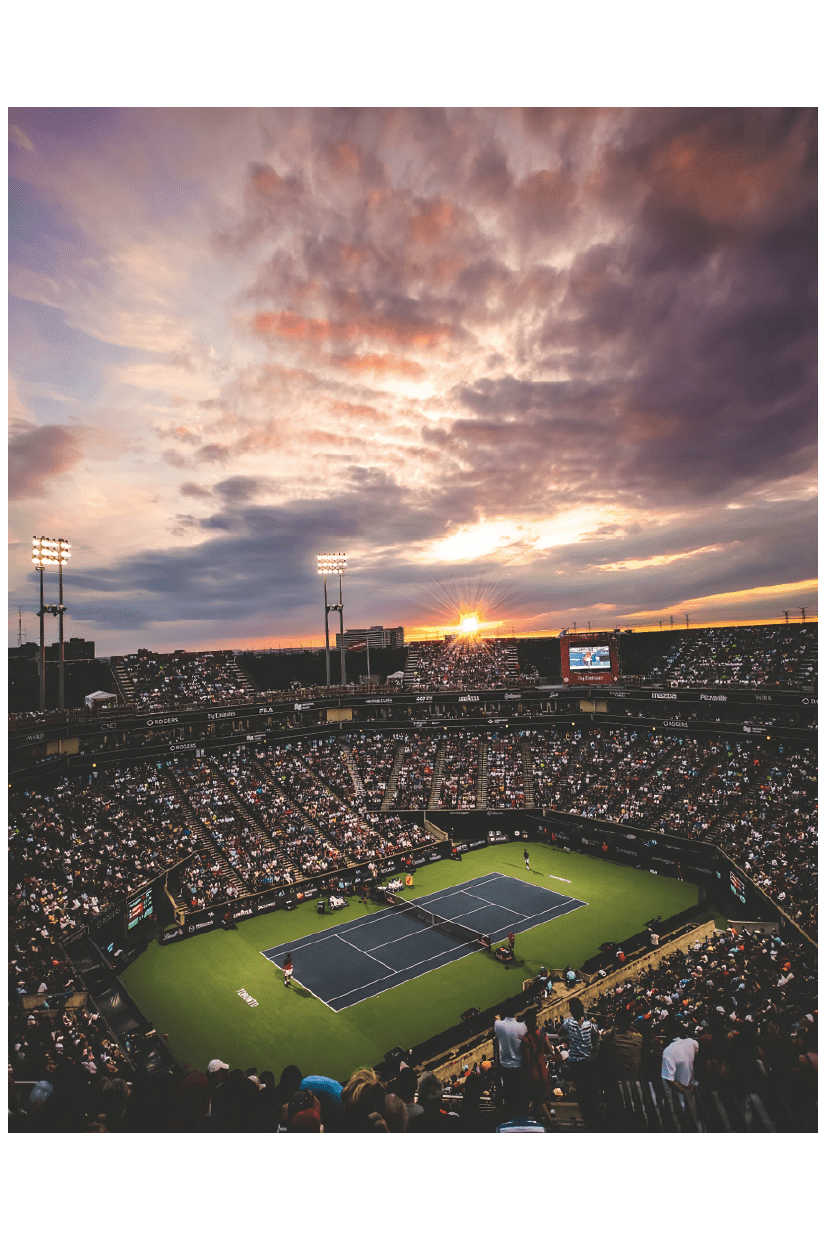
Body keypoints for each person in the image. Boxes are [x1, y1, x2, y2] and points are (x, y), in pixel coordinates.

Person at [494, 1011, 527, 1118]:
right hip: (519, 1066)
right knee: (518, 1095)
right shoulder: (522, 1026)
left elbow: (496, 1021)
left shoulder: (499, 1025)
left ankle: (509, 1114)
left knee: (508, 1096)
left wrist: (498, 1018)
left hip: (506, 1067)